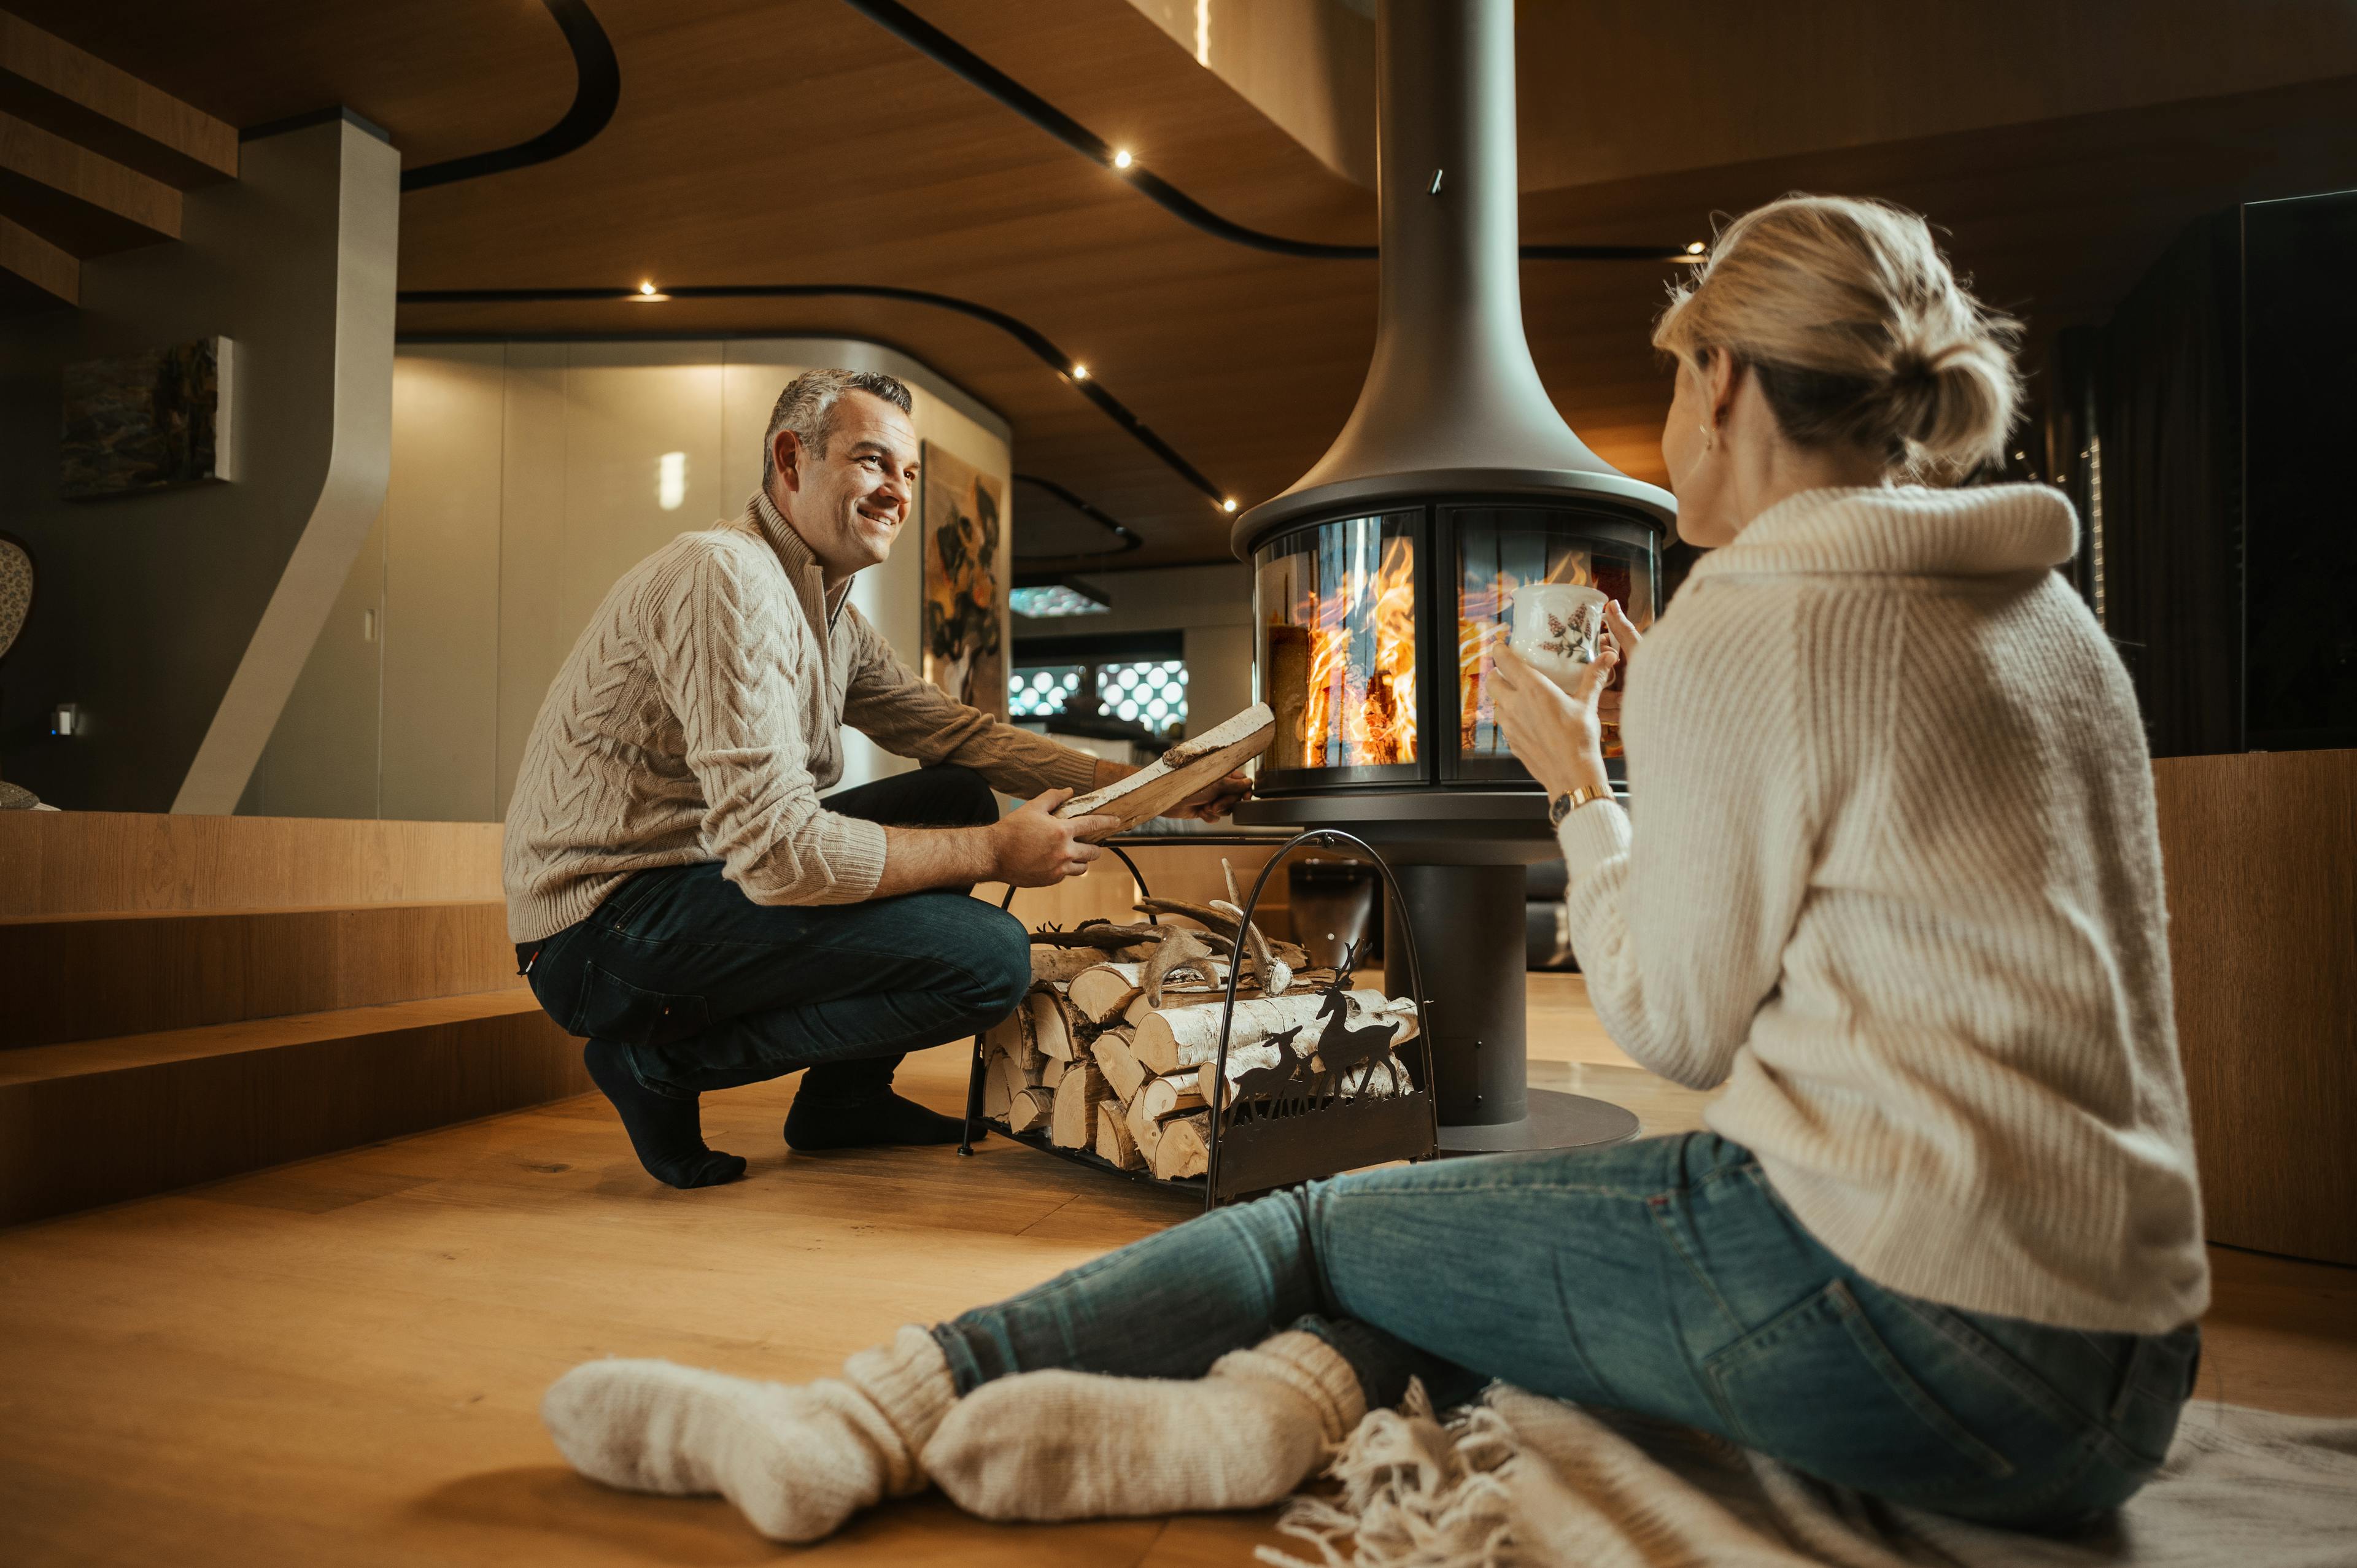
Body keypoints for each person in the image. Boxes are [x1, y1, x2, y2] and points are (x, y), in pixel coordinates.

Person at [530, 198, 2208, 1541]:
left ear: (1724, 382)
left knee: (1331, 1216)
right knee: (1462, 1229)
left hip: (1911, 1333)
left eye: (1678, 366)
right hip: (2125, 1366)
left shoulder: (1762, 618)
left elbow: (1675, 1024)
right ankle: (1252, 1419)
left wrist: (1584, 788)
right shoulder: (2054, 616)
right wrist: (1137, 781)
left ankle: (851, 1416)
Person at [502, 368, 1246, 1189]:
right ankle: (664, 1067)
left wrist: (1143, 783)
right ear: (793, 461)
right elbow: (781, 855)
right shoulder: (728, 578)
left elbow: (956, 735)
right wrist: (996, 850)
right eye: (870, 462)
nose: (897, 491)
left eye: (907, 472)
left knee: (952, 789)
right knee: (990, 963)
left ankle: (843, 1104)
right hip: (599, 934)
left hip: (693, 880)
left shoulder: (828, 609)